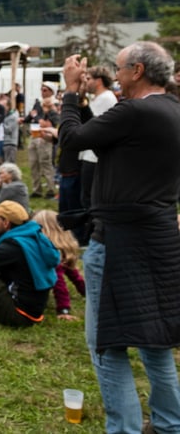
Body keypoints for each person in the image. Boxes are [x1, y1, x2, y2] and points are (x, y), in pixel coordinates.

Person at [59, 44, 180, 434]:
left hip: (117, 241)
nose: (115, 75)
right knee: (156, 340)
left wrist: (71, 92)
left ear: (138, 70)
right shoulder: (174, 110)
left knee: (107, 344)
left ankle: (125, 429)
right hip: (160, 237)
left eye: (118, 68)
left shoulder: (133, 112)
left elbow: (72, 139)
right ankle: (169, 425)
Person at [32, 210, 85, 321]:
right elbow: (75, 277)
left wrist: (63, 310)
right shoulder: (58, 251)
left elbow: (59, 282)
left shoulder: (48, 251)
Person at [78, 65, 117, 211]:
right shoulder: (100, 98)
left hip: (94, 157)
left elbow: (91, 125)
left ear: (99, 81)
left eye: (88, 79)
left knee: (89, 199)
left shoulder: (106, 98)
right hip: (90, 154)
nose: (86, 82)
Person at [26, 96, 60, 198]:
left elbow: (47, 124)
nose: (43, 91)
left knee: (45, 163)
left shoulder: (53, 111)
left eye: (45, 90)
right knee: (33, 163)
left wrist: (36, 116)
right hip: (35, 135)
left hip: (45, 137)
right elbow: (32, 118)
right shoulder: (41, 108)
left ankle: (50, 189)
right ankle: (37, 189)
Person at [0, 94, 20, 164]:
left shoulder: (13, 116)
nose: (1, 108)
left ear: (8, 106)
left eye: (3, 106)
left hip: (10, 144)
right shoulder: (2, 115)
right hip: (2, 142)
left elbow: (8, 129)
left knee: (9, 165)